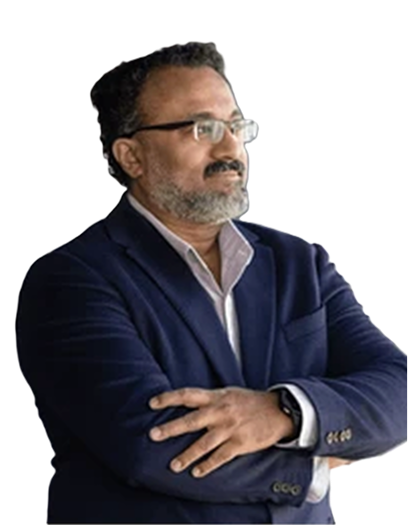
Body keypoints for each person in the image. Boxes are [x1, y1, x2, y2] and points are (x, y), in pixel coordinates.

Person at [15, 41, 408, 524]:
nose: (230, 150)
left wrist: (285, 412)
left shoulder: (299, 262)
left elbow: (400, 388)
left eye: (236, 127)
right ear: (132, 155)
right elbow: (150, 445)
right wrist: (310, 470)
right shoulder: (72, 279)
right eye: (203, 129)